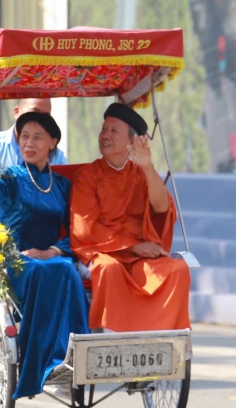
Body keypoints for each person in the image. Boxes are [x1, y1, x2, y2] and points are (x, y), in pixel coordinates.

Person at [0, 111, 90, 398]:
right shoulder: (11, 177)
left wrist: (52, 251)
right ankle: (47, 361)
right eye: (24, 137)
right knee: (45, 270)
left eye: (37, 137)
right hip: (15, 258)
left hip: (48, 256)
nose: (29, 143)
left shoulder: (61, 185)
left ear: (52, 143)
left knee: (65, 268)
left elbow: (76, 231)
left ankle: (72, 355)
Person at [70, 103, 190, 333]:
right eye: (104, 129)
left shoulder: (141, 172)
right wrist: (134, 247)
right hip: (101, 253)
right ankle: (112, 342)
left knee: (177, 270)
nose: (105, 135)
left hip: (139, 257)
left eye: (114, 131)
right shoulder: (87, 175)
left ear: (131, 141)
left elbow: (162, 208)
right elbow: (84, 229)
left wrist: (147, 167)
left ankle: (165, 339)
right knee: (110, 268)